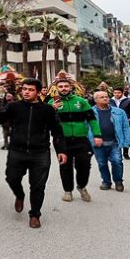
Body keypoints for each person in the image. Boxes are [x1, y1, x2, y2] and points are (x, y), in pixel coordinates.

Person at [0, 78, 66, 229]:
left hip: (40, 153)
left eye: (30, 90)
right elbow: (0, 119)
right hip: (17, 151)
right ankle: (19, 195)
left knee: (38, 186)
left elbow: (57, 132)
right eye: (24, 89)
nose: (26, 92)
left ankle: (35, 215)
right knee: (12, 178)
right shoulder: (14, 106)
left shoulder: (48, 110)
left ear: (38, 92)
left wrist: (61, 150)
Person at [50, 75, 101, 203]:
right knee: (65, 166)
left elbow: (92, 120)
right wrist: (52, 110)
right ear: (56, 88)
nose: (63, 88)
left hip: (81, 139)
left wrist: (97, 135)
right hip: (62, 141)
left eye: (66, 86)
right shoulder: (51, 103)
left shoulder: (81, 102)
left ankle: (82, 186)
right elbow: (45, 122)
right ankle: (68, 191)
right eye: (60, 86)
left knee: (84, 164)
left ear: (71, 87)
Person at [91, 91, 130, 192]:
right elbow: (86, 128)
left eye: (106, 97)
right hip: (98, 144)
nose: (105, 98)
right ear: (96, 100)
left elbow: (126, 127)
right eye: (102, 97)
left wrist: (127, 142)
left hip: (114, 143)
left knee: (117, 161)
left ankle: (118, 182)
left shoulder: (119, 112)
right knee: (102, 163)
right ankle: (106, 181)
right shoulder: (90, 112)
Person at [110, 86, 130, 160]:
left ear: (122, 93)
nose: (116, 94)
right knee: (115, 137)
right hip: (113, 122)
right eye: (115, 93)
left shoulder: (129, 101)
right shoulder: (110, 101)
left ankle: (125, 152)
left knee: (126, 136)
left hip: (126, 122)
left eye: (118, 93)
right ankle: (116, 152)